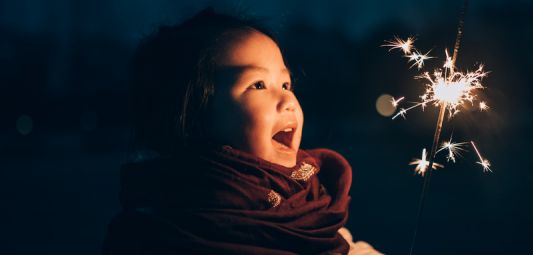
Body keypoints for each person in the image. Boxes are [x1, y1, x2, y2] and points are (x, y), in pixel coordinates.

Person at [102, 8, 382, 255]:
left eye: (286, 84)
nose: (288, 101)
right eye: (258, 85)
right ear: (192, 114)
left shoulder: (307, 201)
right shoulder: (170, 229)